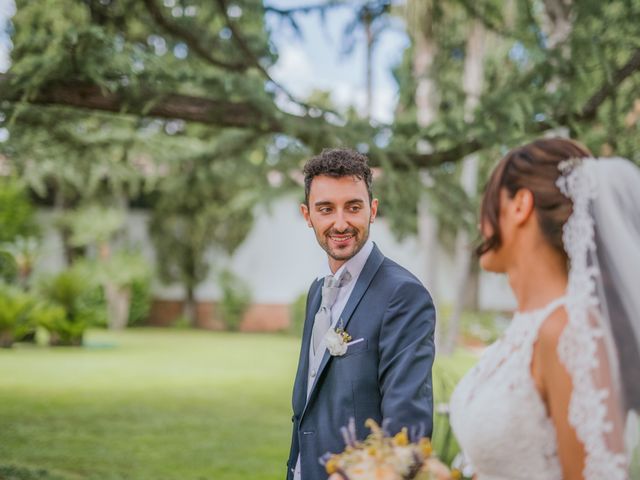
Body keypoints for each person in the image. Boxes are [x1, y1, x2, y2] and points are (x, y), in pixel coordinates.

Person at [449, 137, 640, 479]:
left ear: (520, 204)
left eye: (489, 200)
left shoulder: (568, 330)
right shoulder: (525, 329)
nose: (480, 223)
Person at [286, 148, 436, 480]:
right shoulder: (317, 291)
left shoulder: (403, 295)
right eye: (326, 209)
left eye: (353, 207)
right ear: (307, 215)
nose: (341, 223)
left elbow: (408, 424)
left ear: (373, 210)